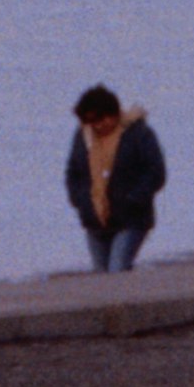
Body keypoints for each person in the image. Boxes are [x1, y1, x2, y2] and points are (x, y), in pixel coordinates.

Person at [63, 84, 165, 272]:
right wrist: (79, 199)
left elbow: (155, 172)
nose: (96, 125)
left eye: (99, 119)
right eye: (89, 121)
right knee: (102, 278)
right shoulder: (83, 136)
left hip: (131, 219)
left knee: (117, 270)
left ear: (114, 114)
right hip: (94, 221)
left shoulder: (138, 133)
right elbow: (72, 172)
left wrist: (133, 199)